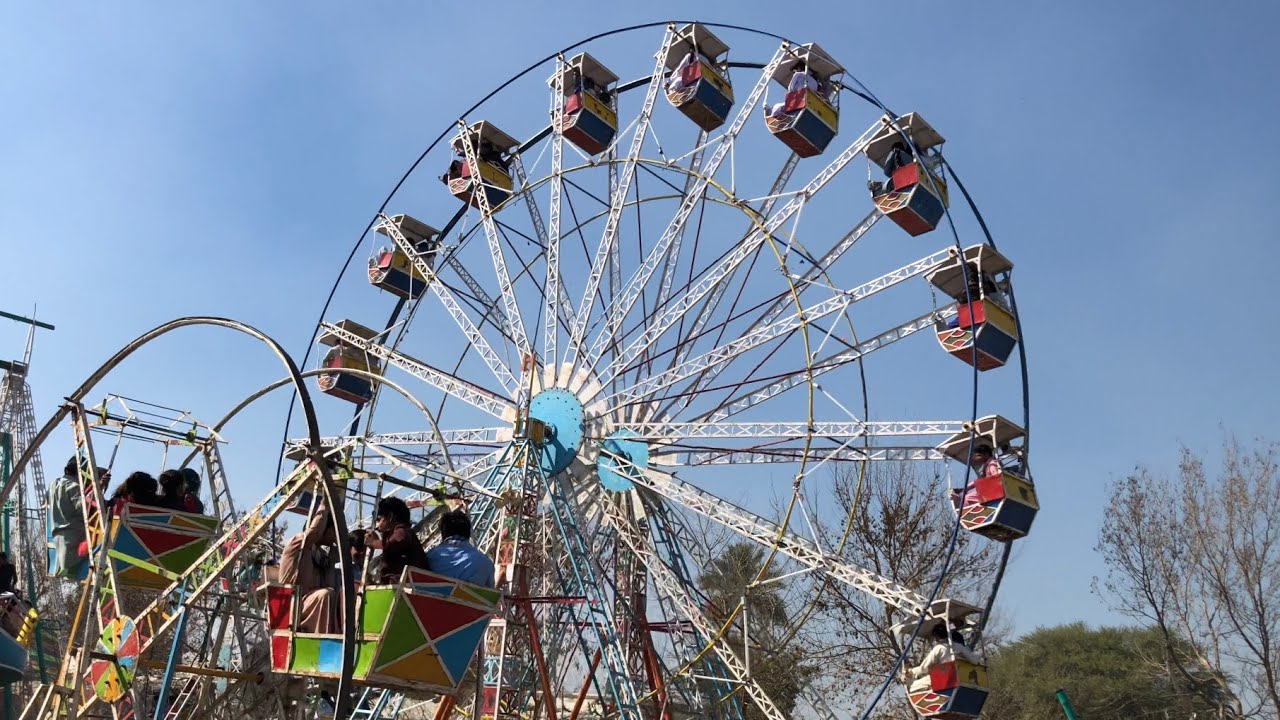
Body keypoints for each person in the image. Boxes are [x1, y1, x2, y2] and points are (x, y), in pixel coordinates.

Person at [279, 502, 338, 634]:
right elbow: (313, 533)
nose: (336, 535)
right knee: (325, 595)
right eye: (334, 530)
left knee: (334, 594)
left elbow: (329, 584)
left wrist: (332, 564)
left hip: (310, 603)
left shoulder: (321, 555)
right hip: (294, 603)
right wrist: (324, 506)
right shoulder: (297, 543)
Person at [364, 497, 429, 584]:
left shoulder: (403, 531)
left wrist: (373, 543)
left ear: (390, 517)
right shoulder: (397, 534)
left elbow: (394, 542)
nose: (376, 526)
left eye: (379, 519)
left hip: (410, 587)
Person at [426, 510, 495, 587]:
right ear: (468, 533)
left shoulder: (430, 557)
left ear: (443, 533)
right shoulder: (485, 562)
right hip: (469, 598)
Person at [907, 624, 981, 692]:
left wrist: (911, 672)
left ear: (936, 637)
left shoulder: (939, 648)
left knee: (913, 686)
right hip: (962, 679)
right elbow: (974, 660)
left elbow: (924, 668)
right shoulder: (959, 646)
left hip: (945, 680)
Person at [49, 456, 87, 576]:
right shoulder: (74, 486)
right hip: (74, 538)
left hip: (58, 537)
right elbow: (84, 509)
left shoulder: (53, 484)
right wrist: (98, 488)